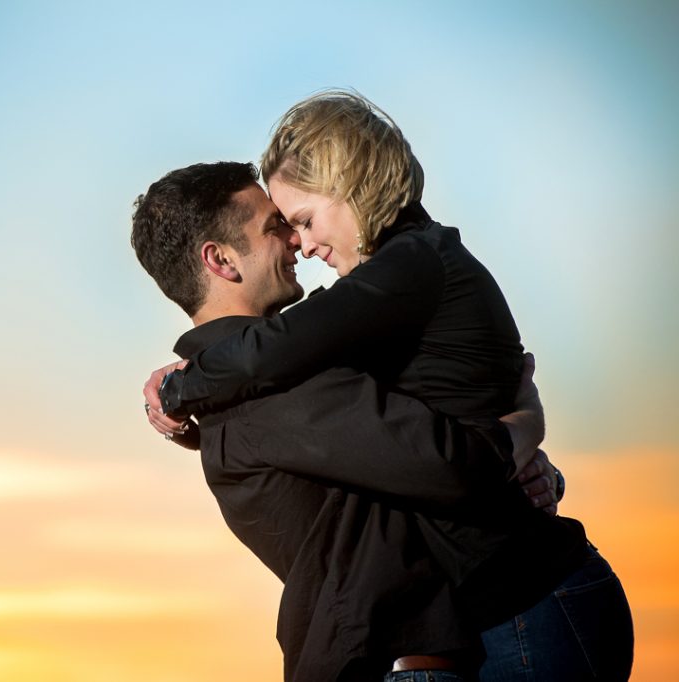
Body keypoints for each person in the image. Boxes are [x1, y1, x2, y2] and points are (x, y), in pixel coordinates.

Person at [143, 93, 633, 681]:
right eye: (282, 226)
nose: (299, 243)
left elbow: (423, 442)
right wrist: (525, 430)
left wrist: (184, 386)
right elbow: (440, 464)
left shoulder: (397, 276)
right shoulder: (273, 384)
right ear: (220, 260)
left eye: (300, 220)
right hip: (510, 608)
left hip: (522, 599)